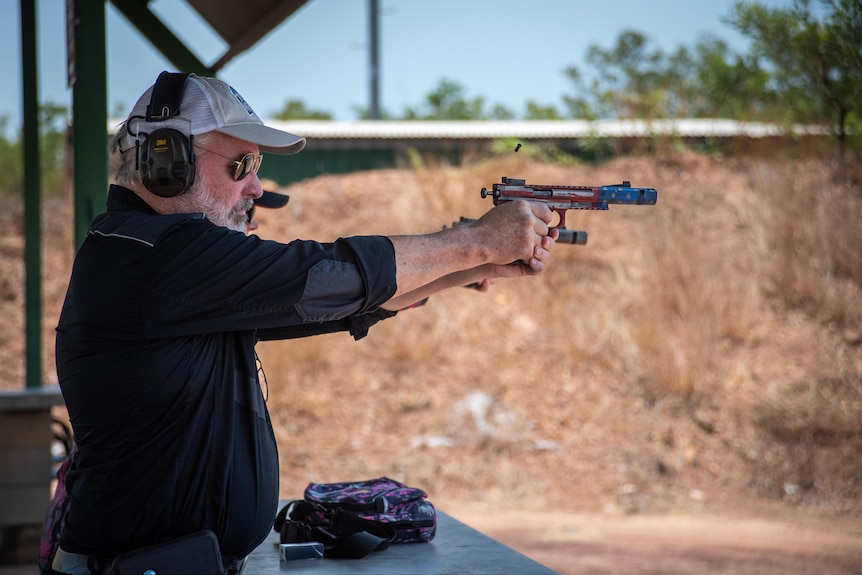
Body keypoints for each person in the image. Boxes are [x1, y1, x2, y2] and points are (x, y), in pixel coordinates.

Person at [45, 71, 556, 575]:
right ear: (166, 160)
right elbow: (317, 277)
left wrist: (476, 264)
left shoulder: (158, 260)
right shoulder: (155, 254)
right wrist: (475, 243)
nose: (256, 185)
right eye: (242, 163)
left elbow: (332, 305)